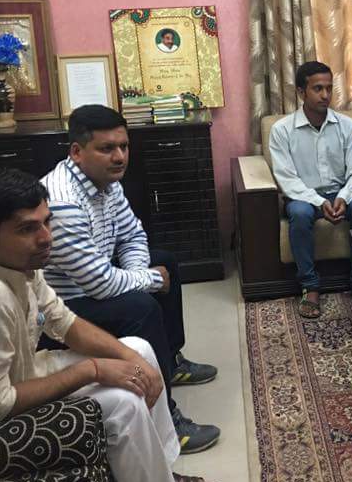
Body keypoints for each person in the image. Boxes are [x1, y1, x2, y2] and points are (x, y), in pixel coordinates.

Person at [0, 169, 226, 482]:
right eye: (27, 228)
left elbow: (64, 322)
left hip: (15, 377)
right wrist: (93, 370)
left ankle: (161, 474)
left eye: (46, 222)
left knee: (139, 351)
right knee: (122, 401)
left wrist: (132, 358)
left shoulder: (15, 265)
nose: (46, 237)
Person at [41, 105, 220, 454]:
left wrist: (142, 274)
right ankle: (166, 414)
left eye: (124, 146)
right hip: (66, 307)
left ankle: (170, 359)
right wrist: (147, 281)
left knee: (165, 262)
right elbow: (99, 285)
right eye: (107, 148)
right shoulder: (62, 202)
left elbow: (132, 235)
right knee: (141, 306)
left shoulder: (106, 182)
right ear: (76, 151)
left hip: (96, 280)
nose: (120, 156)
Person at [268, 61, 352, 319]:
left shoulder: (347, 126)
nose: (326, 95)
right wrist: (318, 201)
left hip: (341, 193)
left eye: (329, 88)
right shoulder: (282, 130)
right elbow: (287, 179)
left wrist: (343, 197)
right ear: (301, 92)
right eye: (318, 88)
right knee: (300, 214)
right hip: (303, 196)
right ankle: (310, 286)